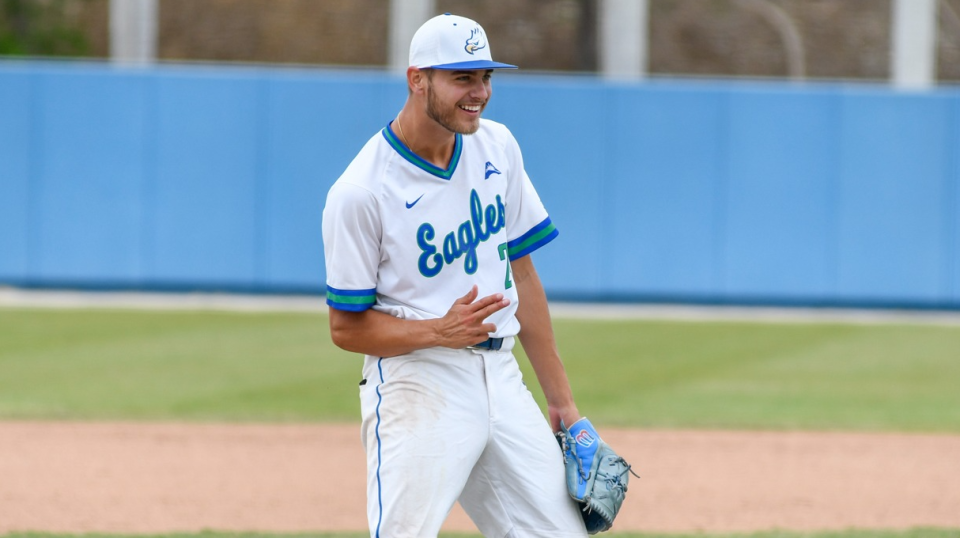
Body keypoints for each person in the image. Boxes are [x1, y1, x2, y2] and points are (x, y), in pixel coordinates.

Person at [322, 13, 588, 538]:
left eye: (486, 77)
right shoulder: (361, 191)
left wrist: (563, 403)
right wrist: (436, 332)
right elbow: (345, 327)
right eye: (462, 77)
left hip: (502, 377)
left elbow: (524, 275)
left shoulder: (498, 147)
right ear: (417, 79)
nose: (480, 92)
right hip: (419, 380)